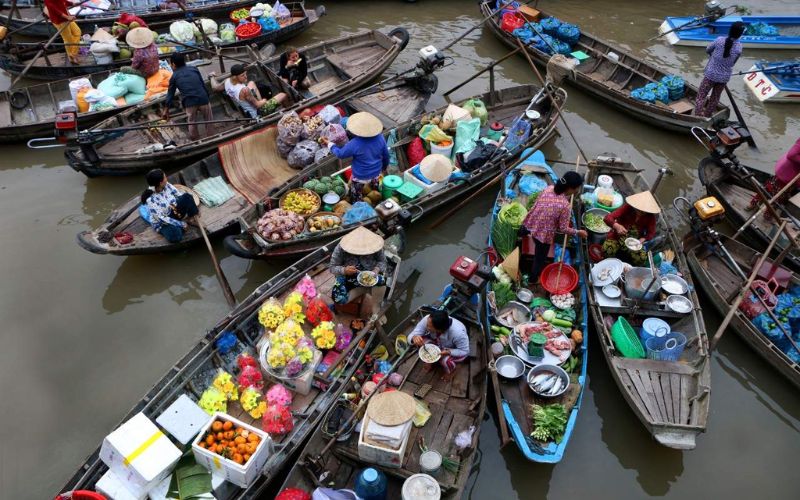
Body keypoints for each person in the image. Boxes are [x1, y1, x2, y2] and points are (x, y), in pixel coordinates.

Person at [520, 171, 587, 283]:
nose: (577, 191)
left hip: (531, 222)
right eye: (576, 189)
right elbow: (563, 229)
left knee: (524, 231)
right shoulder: (565, 206)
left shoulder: (549, 188)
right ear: (570, 189)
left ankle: (520, 236)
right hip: (543, 235)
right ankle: (532, 279)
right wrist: (577, 232)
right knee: (539, 259)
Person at [320, 112, 388, 202]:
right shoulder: (380, 138)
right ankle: (376, 196)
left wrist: (330, 144)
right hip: (376, 172)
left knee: (355, 194)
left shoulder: (355, 143)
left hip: (360, 175)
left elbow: (340, 154)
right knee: (375, 187)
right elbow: (386, 155)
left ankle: (356, 201)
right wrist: (384, 168)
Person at [329, 227, 387, 319]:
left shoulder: (375, 245)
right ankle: (362, 290)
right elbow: (332, 267)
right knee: (338, 298)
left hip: (370, 275)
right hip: (349, 276)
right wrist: (344, 270)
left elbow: (383, 261)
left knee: (382, 281)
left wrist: (376, 270)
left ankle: (376, 308)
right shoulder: (341, 247)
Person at [694, 21, 746, 118]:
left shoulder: (719, 40)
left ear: (730, 30)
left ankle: (697, 116)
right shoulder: (739, 47)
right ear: (740, 34)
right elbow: (732, 63)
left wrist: (713, 57)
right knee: (715, 98)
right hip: (723, 78)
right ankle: (707, 116)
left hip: (710, 75)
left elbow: (708, 50)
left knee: (701, 96)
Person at [140, 169, 199, 243]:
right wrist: (181, 224)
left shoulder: (166, 185)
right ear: (160, 183)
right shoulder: (150, 199)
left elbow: (179, 195)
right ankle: (178, 226)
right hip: (162, 222)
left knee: (187, 196)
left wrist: (190, 207)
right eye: (165, 177)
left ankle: (191, 219)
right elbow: (162, 218)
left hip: (173, 211)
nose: (166, 179)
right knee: (176, 236)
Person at [602, 191, 660, 265]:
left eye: (643, 212)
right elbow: (607, 218)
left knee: (641, 259)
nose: (640, 213)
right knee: (607, 250)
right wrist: (617, 226)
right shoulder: (628, 207)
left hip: (634, 242)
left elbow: (651, 233)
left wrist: (641, 240)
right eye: (638, 210)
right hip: (618, 237)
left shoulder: (650, 217)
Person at [164, 52, 213, 140]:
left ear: (173, 64)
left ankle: (195, 140)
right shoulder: (194, 69)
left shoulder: (174, 76)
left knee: (191, 122)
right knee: (209, 119)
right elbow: (202, 84)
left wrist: (166, 110)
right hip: (203, 98)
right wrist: (207, 98)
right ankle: (211, 137)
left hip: (190, 103)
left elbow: (170, 94)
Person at [408, 310, 470, 375]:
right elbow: (412, 335)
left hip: (452, 348)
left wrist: (449, 351)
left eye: (429, 327)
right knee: (420, 342)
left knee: (445, 361)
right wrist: (414, 337)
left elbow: (465, 351)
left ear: (440, 330)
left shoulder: (458, 334)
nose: (426, 327)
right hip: (437, 341)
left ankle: (450, 373)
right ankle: (430, 362)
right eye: (427, 325)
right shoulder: (428, 319)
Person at [213, 64, 287, 118]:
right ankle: (286, 113)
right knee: (283, 94)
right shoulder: (245, 90)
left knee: (251, 83)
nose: (246, 76)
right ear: (235, 77)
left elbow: (215, 87)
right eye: (242, 75)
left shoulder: (227, 81)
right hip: (257, 114)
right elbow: (257, 105)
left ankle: (262, 103)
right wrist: (264, 100)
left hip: (244, 108)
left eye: (245, 73)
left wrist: (211, 77)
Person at [748, 137, 800, 210]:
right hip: (788, 172)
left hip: (795, 178)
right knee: (770, 190)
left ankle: (767, 212)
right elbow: (791, 155)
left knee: (781, 195)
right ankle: (755, 204)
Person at [43, 0, 82, 65]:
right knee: (68, 39)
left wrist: (72, 3)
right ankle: (72, 57)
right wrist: (67, 17)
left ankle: (73, 54)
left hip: (67, 17)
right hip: (60, 21)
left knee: (77, 32)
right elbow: (54, 9)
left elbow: (62, 1)